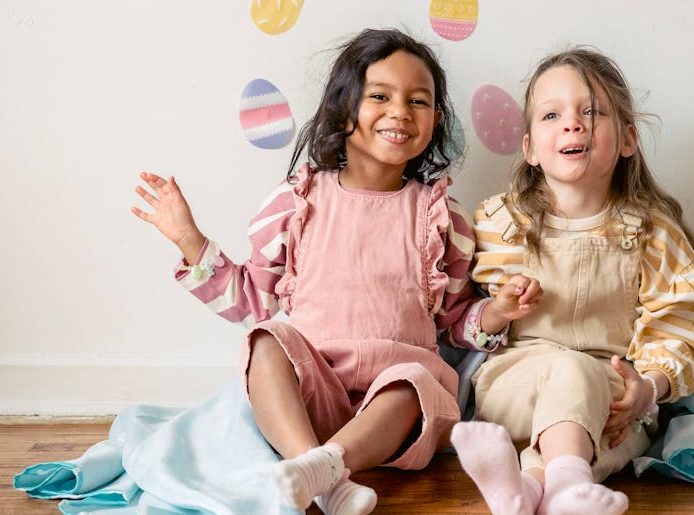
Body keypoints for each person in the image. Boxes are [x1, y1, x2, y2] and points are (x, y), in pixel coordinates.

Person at [131, 28, 541, 515]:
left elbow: (453, 322)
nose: (400, 112)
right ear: (345, 108)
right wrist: (189, 241)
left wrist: (495, 312)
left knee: (415, 378)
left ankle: (325, 467)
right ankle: (317, 470)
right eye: (380, 96)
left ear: (435, 119)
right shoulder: (296, 203)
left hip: (396, 407)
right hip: (312, 397)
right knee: (266, 338)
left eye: (418, 101)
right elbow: (253, 301)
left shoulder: (440, 216)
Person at [451, 48, 694, 515]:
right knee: (569, 375)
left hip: (610, 388)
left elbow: (687, 320)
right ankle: (567, 484)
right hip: (519, 381)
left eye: (592, 112)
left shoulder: (651, 233)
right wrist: (500, 308)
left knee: (617, 430)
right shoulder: (502, 223)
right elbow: (463, 319)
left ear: (627, 139)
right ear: (530, 148)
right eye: (552, 114)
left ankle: (530, 490)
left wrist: (651, 386)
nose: (573, 124)